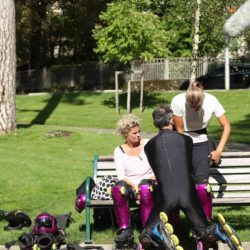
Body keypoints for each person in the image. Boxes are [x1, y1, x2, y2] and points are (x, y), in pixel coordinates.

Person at [139, 106, 238, 250]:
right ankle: (215, 231)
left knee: (145, 237)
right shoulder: (186, 140)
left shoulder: (149, 146)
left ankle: (156, 233)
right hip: (188, 193)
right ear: (172, 120)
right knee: (203, 230)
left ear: (155, 124)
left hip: (165, 195)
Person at [170, 82, 231, 220]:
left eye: (197, 106)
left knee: (202, 184)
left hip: (202, 142)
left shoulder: (212, 100)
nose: (194, 108)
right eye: (191, 105)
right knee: (182, 183)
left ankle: (204, 222)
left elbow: (226, 126)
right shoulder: (178, 101)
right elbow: (179, 130)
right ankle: (179, 221)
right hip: (182, 141)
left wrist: (218, 150)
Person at [111, 114, 156, 247]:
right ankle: (126, 231)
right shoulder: (119, 151)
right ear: (125, 134)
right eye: (134, 133)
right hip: (131, 186)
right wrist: (135, 186)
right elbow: (121, 177)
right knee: (118, 188)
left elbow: (158, 168)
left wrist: (147, 181)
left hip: (149, 184)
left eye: (139, 131)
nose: (138, 135)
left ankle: (148, 230)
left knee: (144, 188)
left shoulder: (148, 144)